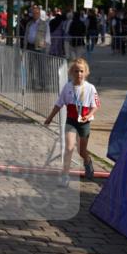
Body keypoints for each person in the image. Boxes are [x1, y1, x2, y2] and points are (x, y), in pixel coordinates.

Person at [44, 57, 99, 188]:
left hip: (84, 123)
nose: (78, 74)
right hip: (71, 122)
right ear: (71, 73)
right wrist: (50, 117)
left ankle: (87, 161)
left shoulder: (90, 88)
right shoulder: (67, 87)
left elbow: (96, 105)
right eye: (76, 71)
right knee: (69, 148)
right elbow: (59, 104)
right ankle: (65, 176)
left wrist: (89, 115)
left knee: (81, 150)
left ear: (86, 72)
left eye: (81, 71)